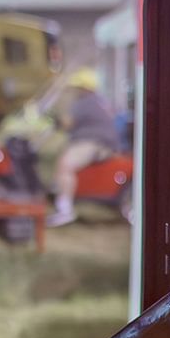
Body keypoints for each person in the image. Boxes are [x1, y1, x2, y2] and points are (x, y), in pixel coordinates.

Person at [48, 68, 121, 226]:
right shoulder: (99, 101)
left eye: (77, 86)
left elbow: (68, 123)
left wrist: (55, 120)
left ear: (84, 87)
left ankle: (65, 209)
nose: (75, 90)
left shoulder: (84, 102)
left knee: (65, 164)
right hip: (105, 143)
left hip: (93, 142)